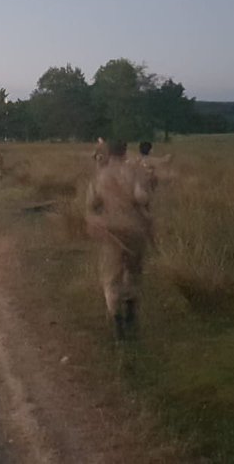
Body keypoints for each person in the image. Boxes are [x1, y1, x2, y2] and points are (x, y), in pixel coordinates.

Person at [84, 139, 155, 340]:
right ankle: (131, 312)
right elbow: (141, 197)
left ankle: (117, 321)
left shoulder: (100, 176)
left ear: (108, 152)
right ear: (125, 151)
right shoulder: (134, 172)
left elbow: (91, 205)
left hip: (111, 232)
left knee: (111, 278)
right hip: (134, 230)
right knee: (133, 273)